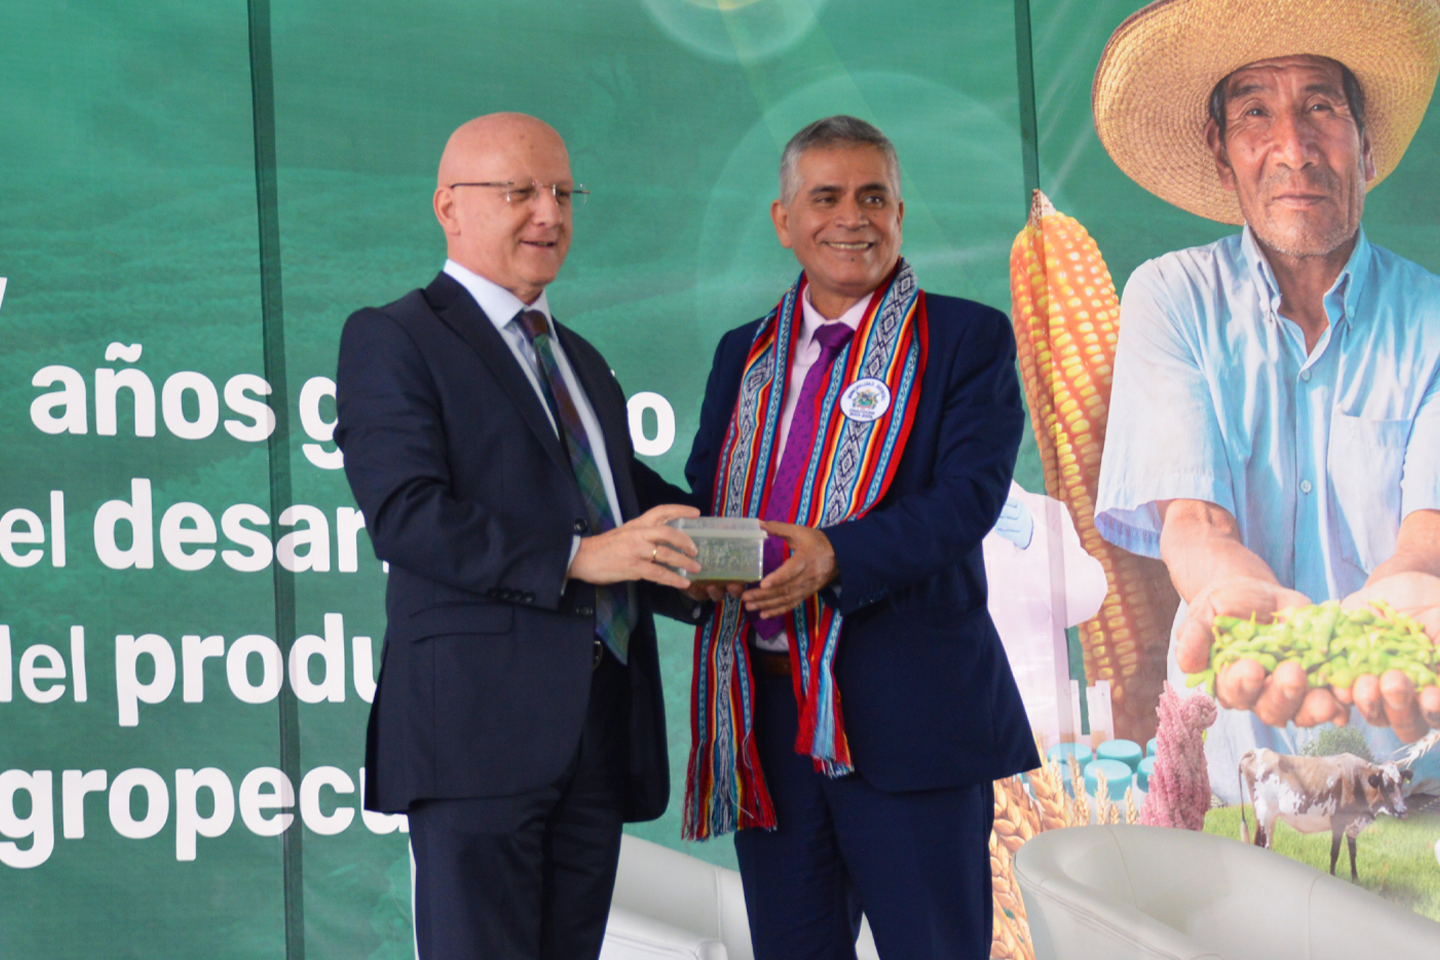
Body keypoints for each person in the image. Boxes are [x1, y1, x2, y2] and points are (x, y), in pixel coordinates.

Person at [334, 113, 706, 960]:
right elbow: (407, 513)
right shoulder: (395, 337)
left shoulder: (580, 358)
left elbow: (623, 504)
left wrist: (737, 556)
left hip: (599, 733)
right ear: (449, 208)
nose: (550, 213)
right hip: (476, 738)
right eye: (520, 192)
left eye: (564, 193)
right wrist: (579, 558)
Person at [681, 115, 1038, 960]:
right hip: (768, 720)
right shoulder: (744, 353)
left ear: (900, 214)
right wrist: (680, 553)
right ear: (784, 220)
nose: (853, 217)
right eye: (827, 197)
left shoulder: (965, 338)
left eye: (873, 198)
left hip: (911, 721)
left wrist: (837, 556)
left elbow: (967, 501)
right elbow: (710, 499)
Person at [1092, 0, 1440, 797]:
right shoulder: (1171, 297)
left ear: (1365, 143)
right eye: (1255, 113)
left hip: (1416, 772)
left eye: (1321, 107)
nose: (1294, 148)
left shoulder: (1434, 319)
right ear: (1220, 150)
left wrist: (1412, 591)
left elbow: (1428, 538)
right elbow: (1195, 522)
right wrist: (1228, 589)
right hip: (1235, 776)